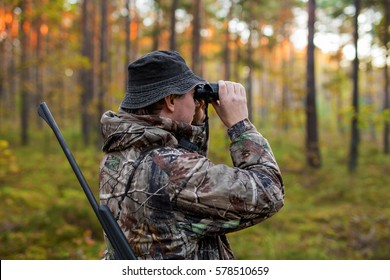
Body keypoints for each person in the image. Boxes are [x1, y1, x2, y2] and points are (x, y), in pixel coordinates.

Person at [99, 50, 284, 260]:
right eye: (192, 94)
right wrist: (241, 126)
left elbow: (184, 181)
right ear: (170, 100)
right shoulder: (172, 169)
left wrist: (194, 123)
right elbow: (270, 193)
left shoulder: (119, 152)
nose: (197, 101)